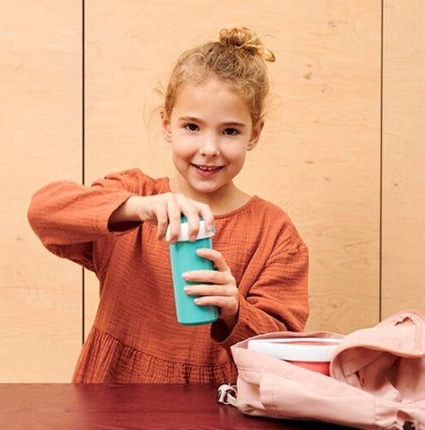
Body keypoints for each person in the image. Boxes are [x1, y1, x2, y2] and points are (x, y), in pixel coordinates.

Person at [28, 27, 309, 384]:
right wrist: (137, 208)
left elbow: (283, 343)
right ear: (167, 124)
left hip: (215, 403)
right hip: (112, 393)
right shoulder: (133, 195)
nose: (209, 148)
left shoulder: (274, 232)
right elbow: (44, 211)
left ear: (254, 134)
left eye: (230, 131)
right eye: (192, 126)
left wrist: (235, 310)